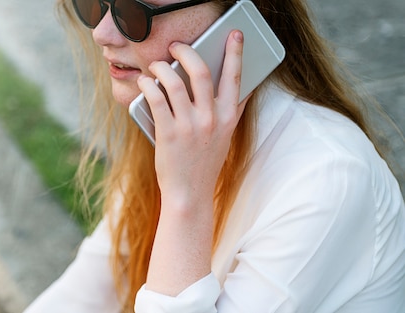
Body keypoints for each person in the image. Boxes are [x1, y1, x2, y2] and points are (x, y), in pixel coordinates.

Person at [25, 0, 405, 311]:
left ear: (236, 17)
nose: (100, 33)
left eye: (133, 13)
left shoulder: (326, 179)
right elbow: (86, 291)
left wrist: (184, 201)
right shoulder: (182, 132)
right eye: (93, 3)